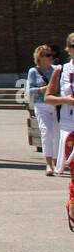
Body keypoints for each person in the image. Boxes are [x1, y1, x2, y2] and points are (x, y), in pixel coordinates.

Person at [45, 33, 74, 228]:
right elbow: (48, 97)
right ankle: (72, 207)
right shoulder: (61, 70)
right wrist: (65, 100)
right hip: (70, 125)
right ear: (68, 48)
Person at [29, 44, 58, 175]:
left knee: (57, 134)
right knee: (46, 132)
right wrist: (42, 89)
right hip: (41, 105)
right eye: (46, 55)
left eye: (50, 54)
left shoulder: (56, 70)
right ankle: (49, 164)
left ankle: (58, 162)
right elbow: (29, 90)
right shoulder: (33, 72)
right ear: (39, 58)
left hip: (56, 104)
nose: (50, 57)